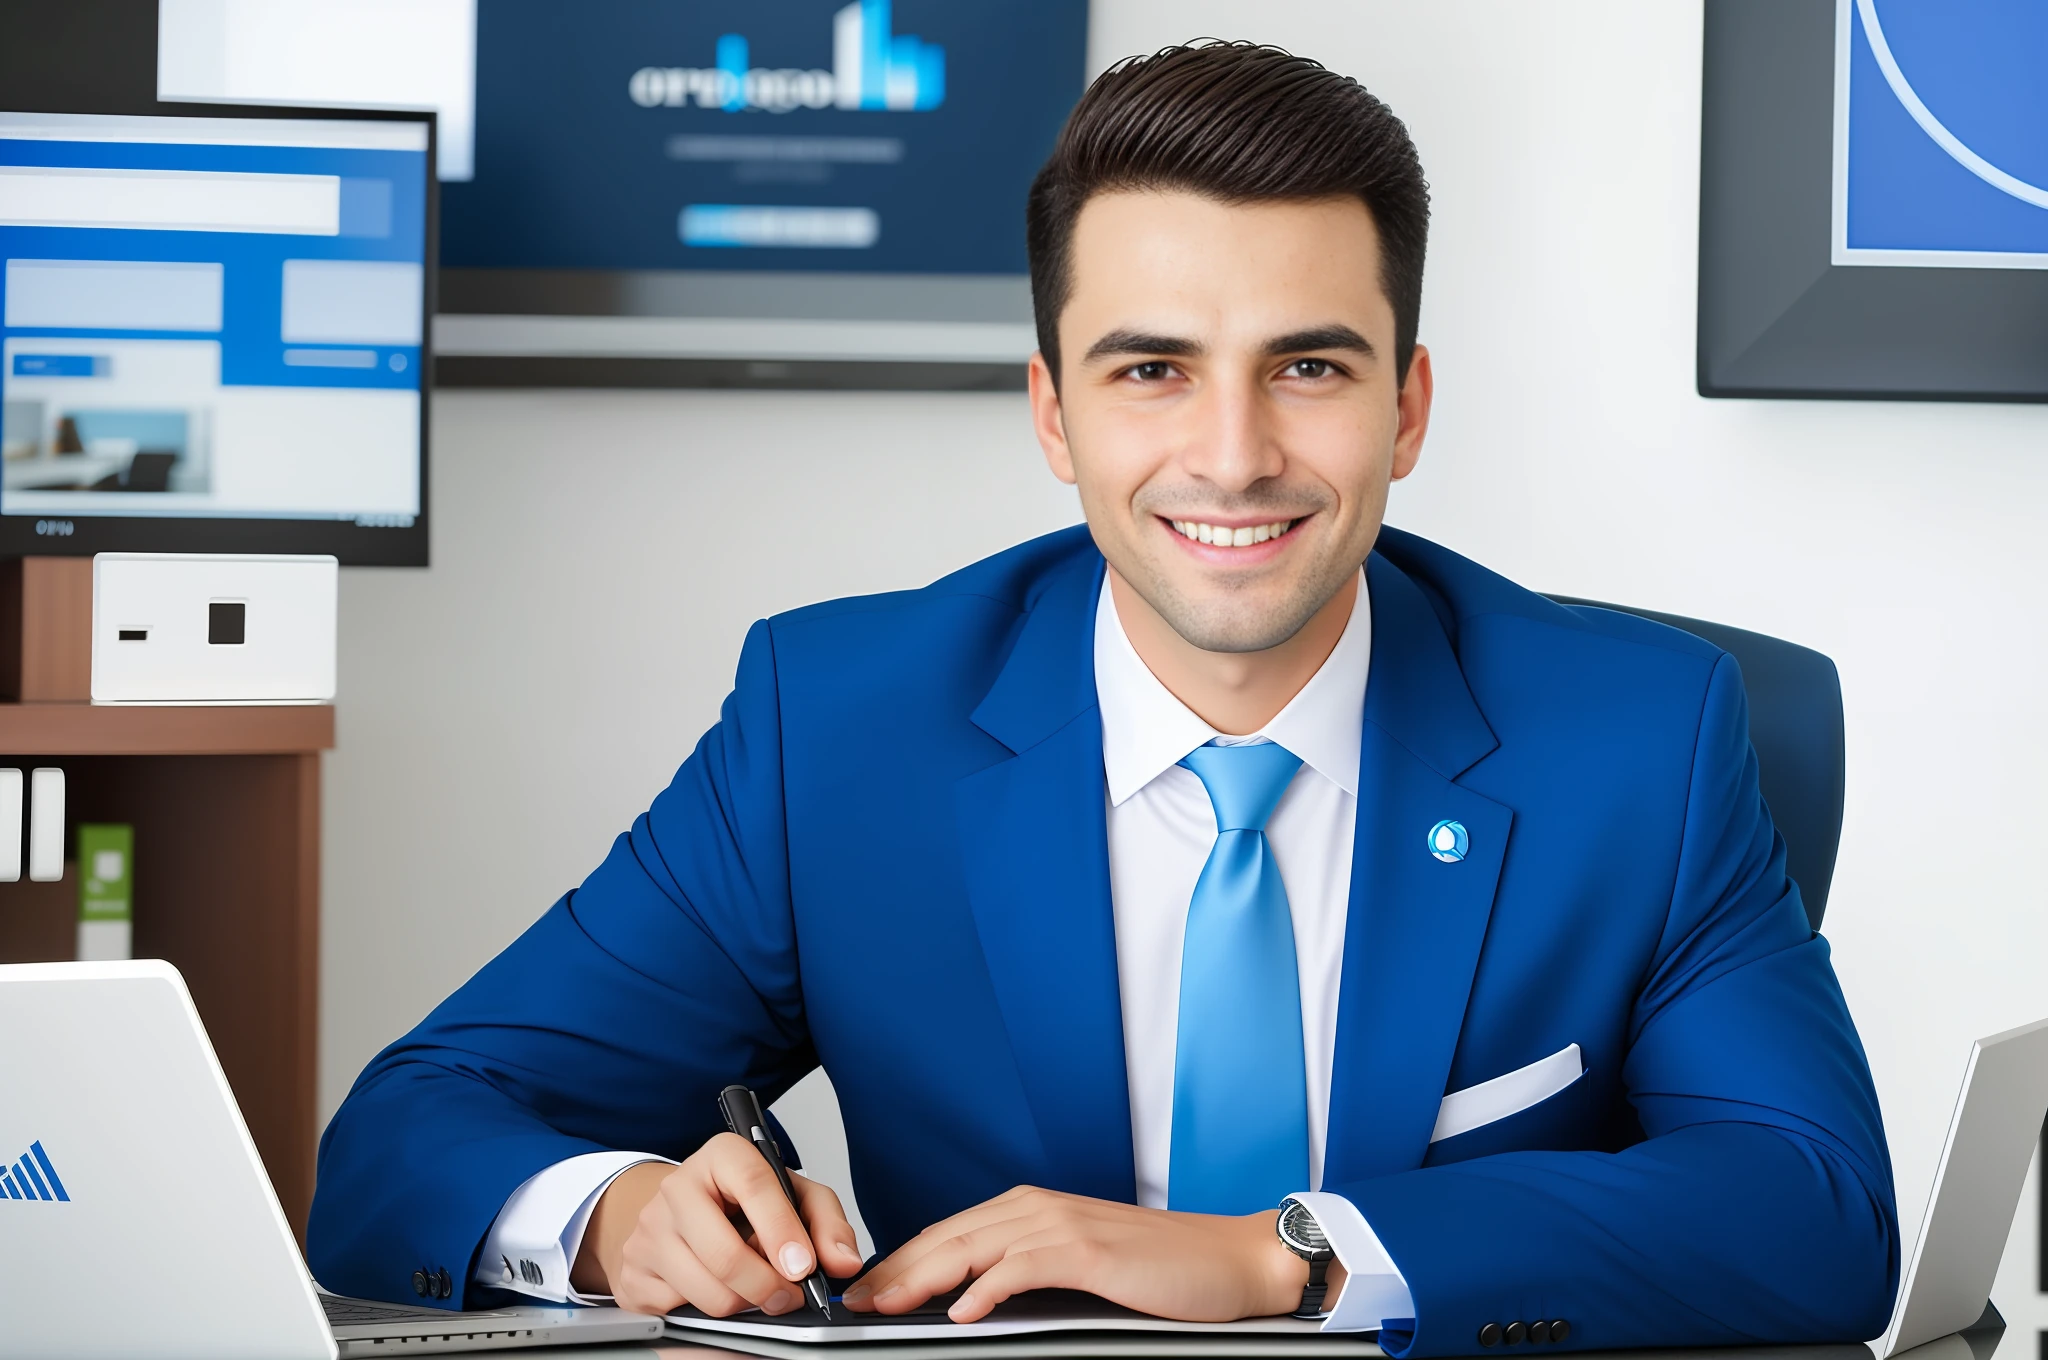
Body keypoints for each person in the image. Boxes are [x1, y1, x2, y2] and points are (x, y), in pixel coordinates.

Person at [309, 42, 1899, 1355]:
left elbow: (1814, 1209)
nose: (1231, 454)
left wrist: (1292, 1255)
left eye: (1310, 367)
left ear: (1407, 408)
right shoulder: (838, 728)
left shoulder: (1644, 738)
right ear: (1053, 413)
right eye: (1151, 370)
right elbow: (407, 1131)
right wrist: (614, 1216)